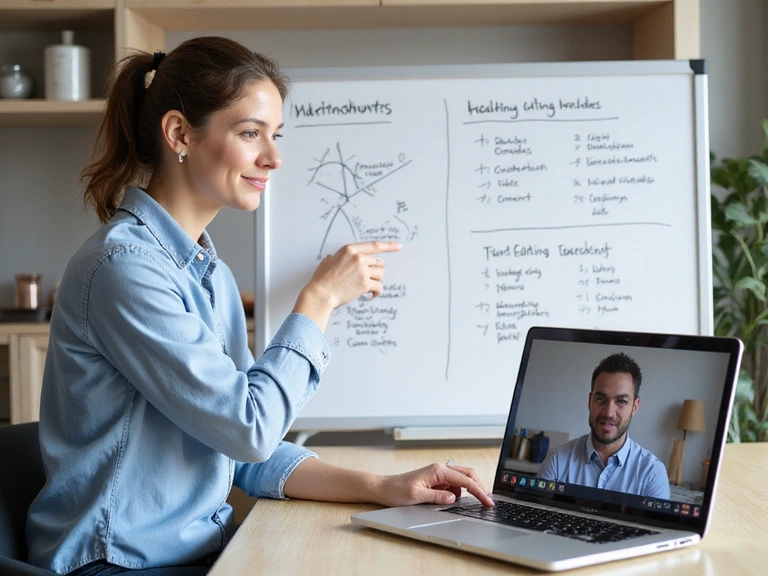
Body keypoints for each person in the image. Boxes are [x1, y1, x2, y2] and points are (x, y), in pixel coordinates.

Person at [25, 36, 493, 576]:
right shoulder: (125, 270)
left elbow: (244, 448)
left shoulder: (208, 274)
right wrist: (317, 301)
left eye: (275, 135)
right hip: (116, 565)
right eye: (251, 133)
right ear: (179, 133)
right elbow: (248, 427)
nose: (273, 157)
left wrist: (383, 487)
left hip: (185, 556)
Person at [537, 352, 670, 499]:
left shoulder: (652, 474)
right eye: (601, 399)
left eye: (621, 401)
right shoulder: (557, 460)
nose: (608, 413)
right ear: (590, 401)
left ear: (635, 406)